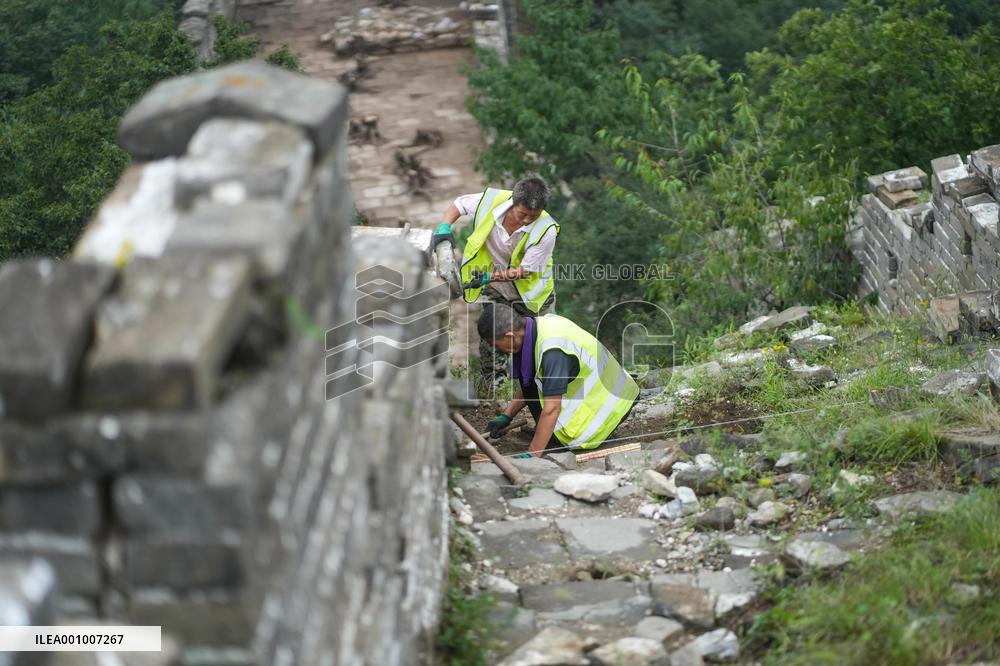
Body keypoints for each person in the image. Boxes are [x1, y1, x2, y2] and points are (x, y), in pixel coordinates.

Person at [432, 177, 560, 391]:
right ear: (513, 203)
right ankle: (495, 395)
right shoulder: (491, 201)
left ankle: (540, 397)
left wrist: (487, 278)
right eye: (523, 214)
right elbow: (459, 204)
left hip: (532, 296)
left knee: (538, 346)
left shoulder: (546, 230)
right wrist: (444, 226)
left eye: (533, 216)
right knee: (493, 341)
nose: (528, 220)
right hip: (497, 290)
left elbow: (524, 271)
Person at [477, 303, 639, 457]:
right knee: (531, 380)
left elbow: (552, 408)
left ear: (510, 336)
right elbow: (531, 382)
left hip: (607, 413)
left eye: (496, 345)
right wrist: (507, 416)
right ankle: (546, 437)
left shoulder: (552, 351)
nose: (497, 349)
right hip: (612, 395)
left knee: (549, 419)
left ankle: (557, 441)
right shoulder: (538, 326)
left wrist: (533, 453)